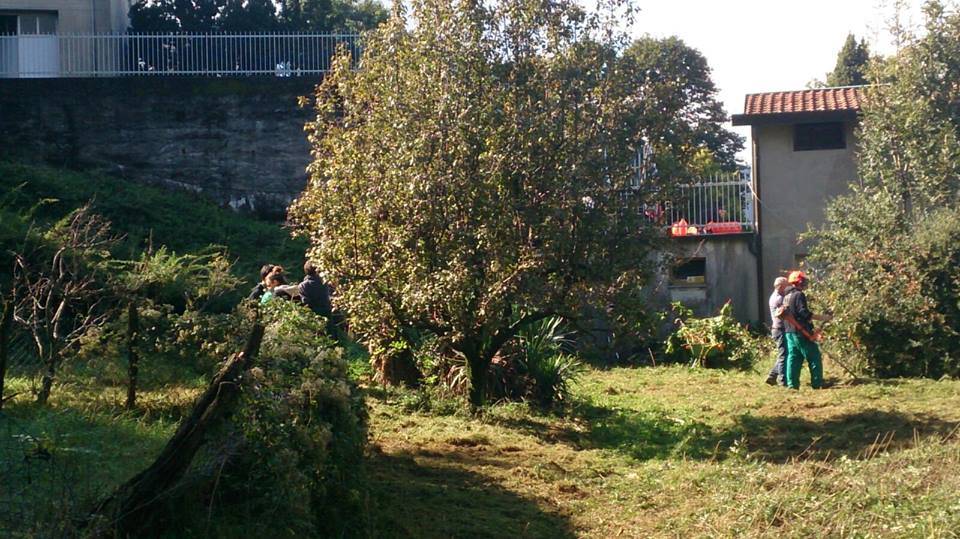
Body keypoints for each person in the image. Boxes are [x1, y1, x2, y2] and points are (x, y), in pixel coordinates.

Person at [779, 270, 832, 390]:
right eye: (803, 281)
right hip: (800, 332)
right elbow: (804, 313)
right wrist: (823, 317)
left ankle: (792, 386)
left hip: (789, 331)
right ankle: (817, 384)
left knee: (794, 358)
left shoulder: (786, 296)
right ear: (799, 282)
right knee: (814, 356)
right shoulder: (798, 295)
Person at [764, 277, 789, 386]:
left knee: (783, 354)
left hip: (778, 329)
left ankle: (772, 376)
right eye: (785, 285)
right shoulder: (779, 299)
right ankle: (783, 381)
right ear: (779, 286)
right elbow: (786, 311)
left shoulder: (775, 296)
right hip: (780, 329)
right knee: (784, 355)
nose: (787, 287)